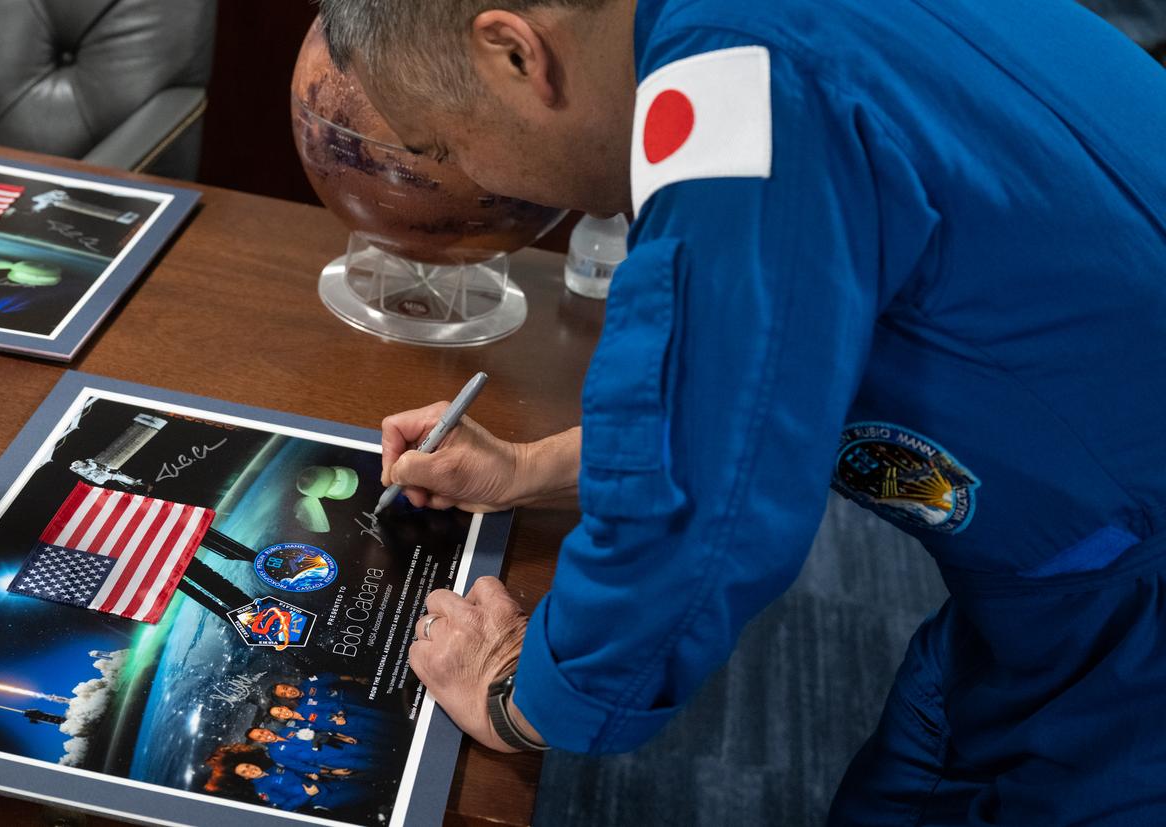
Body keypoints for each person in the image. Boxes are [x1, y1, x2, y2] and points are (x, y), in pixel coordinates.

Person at [317, 0, 1166, 822]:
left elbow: (697, 512)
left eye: (442, 143)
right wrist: (534, 467)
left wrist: (516, 697)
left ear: (515, 54)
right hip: (1068, 552)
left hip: (1125, 628)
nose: (470, 179)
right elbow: (766, 385)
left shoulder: (739, 108)